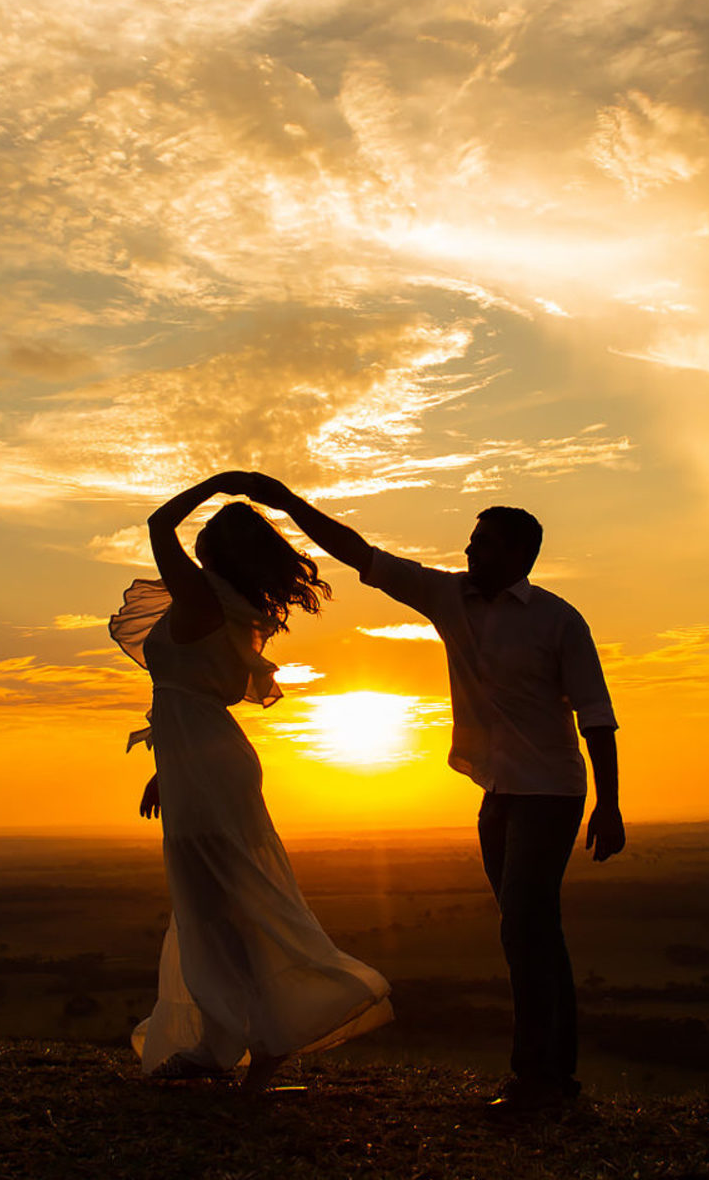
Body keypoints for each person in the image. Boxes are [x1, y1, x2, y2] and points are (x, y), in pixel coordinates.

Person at [229, 473, 621, 1115]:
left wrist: (609, 803)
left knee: (526, 925)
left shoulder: (558, 620)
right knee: (530, 930)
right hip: (497, 790)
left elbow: (596, 715)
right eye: (471, 542)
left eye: (484, 544)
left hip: (550, 792)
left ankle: (536, 1080)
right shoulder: (449, 597)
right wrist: (286, 501)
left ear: (520, 556)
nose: (470, 553)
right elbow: (358, 553)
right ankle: (555, 1079)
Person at [110, 472, 393, 1090]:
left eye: (210, 531)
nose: (200, 536)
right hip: (202, 763)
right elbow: (187, 697)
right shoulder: (226, 605)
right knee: (210, 909)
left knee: (227, 909)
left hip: (208, 769)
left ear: (221, 549)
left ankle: (265, 1044)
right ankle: (227, 1043)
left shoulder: (205, 600)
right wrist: (165, 770)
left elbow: (160, 525)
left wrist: (221, 482)